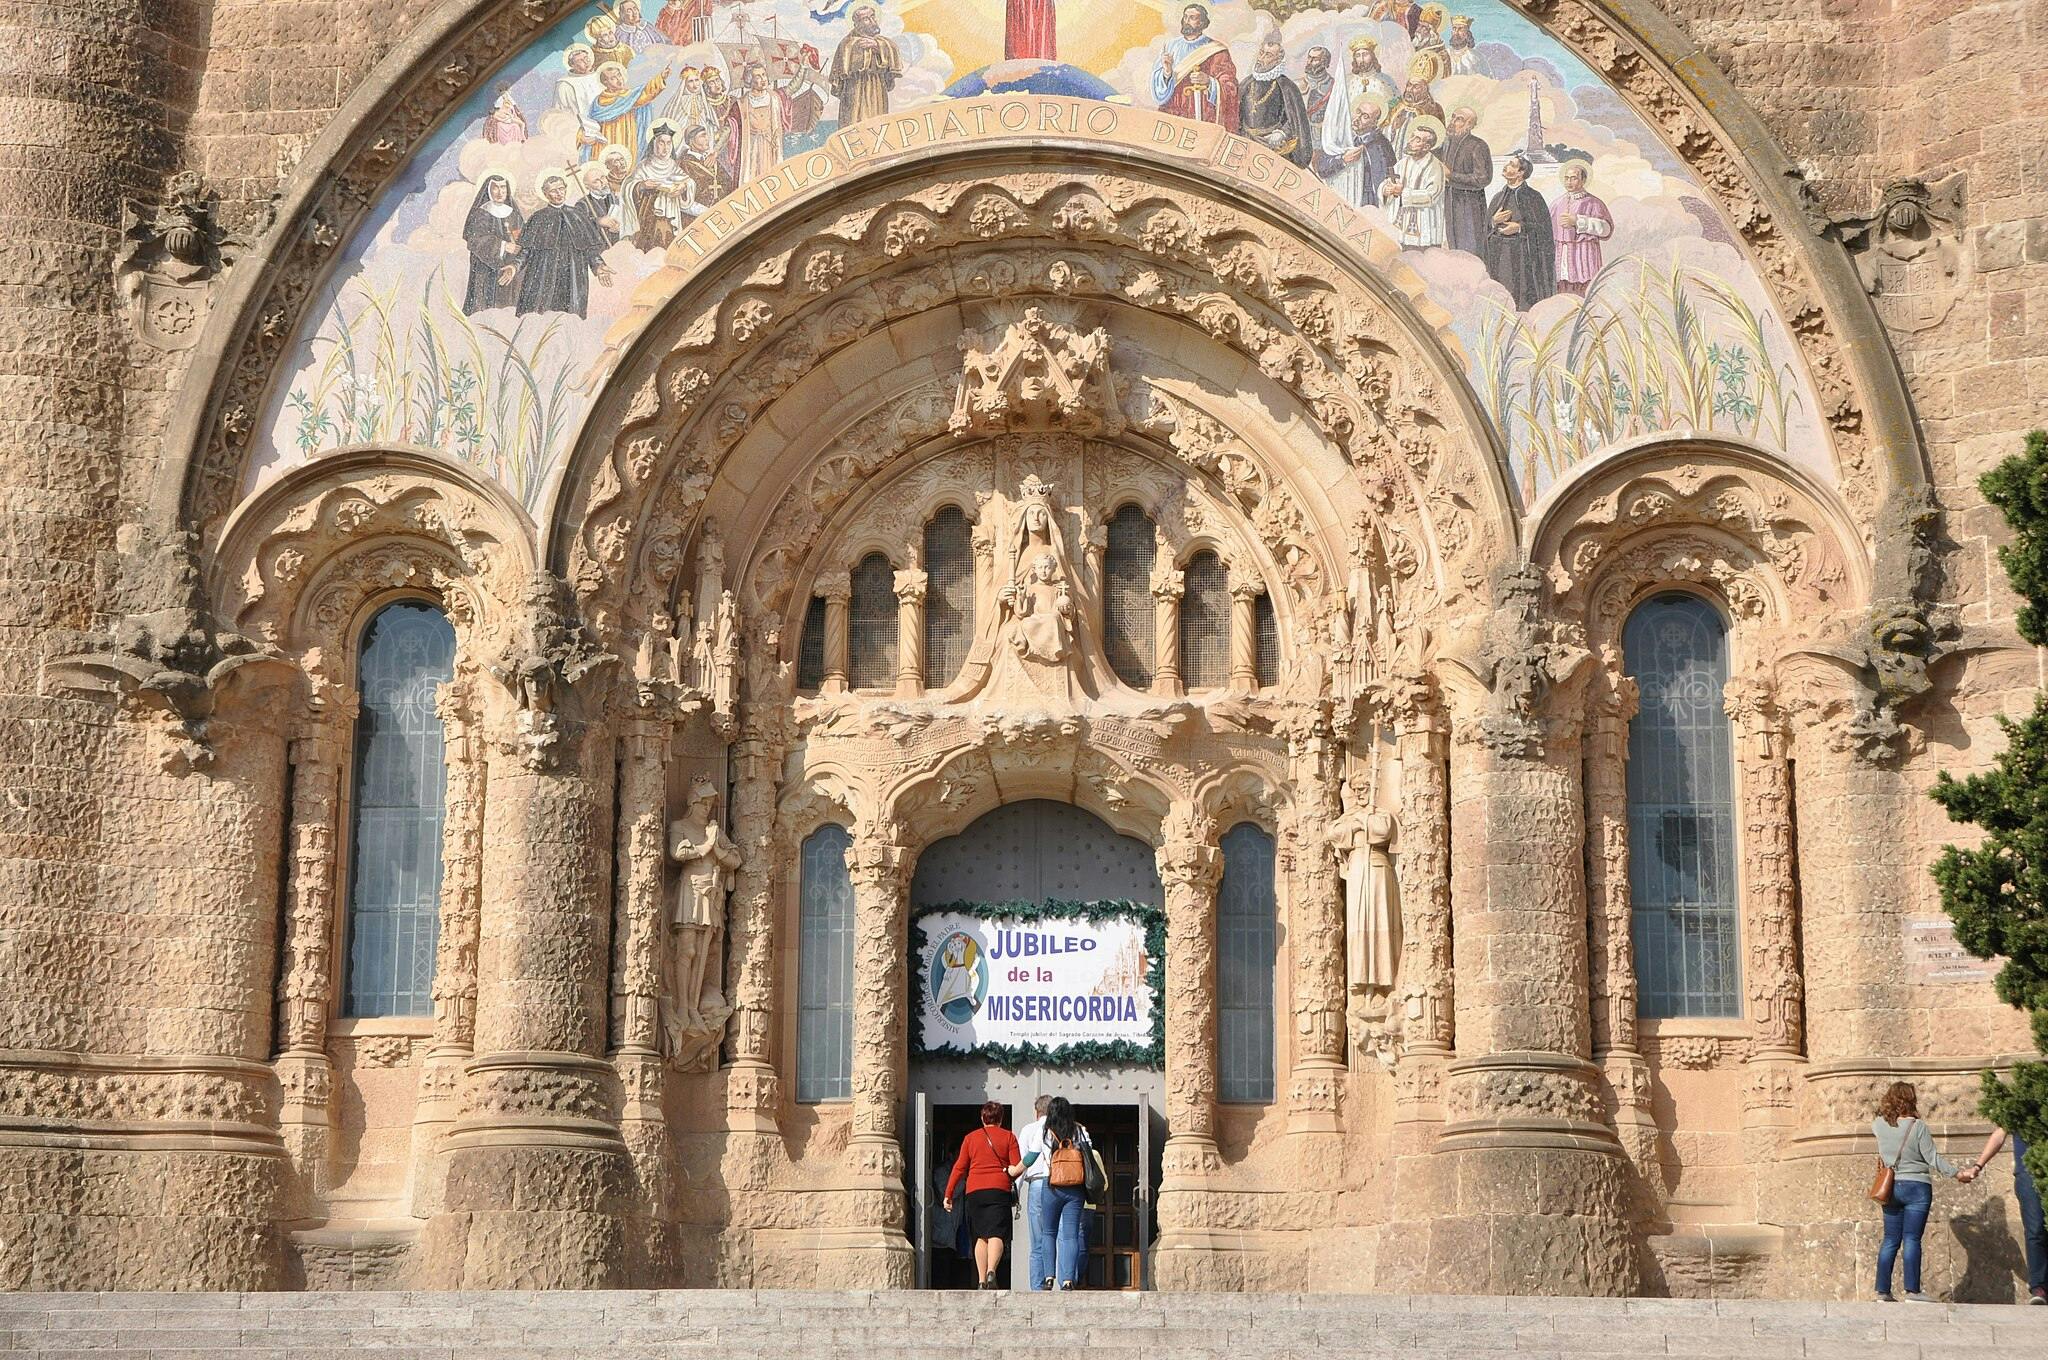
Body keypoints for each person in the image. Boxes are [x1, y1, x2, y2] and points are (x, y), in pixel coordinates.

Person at [1872, 1081, 1966, 1302]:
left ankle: (1882, 1291)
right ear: (1911, 1100)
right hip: (1917, 1186)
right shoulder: (1918, 1127)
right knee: (1912, 1239)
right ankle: (1912, 1291)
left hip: (1891, 1187)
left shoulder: (1878, 1125)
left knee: (1889, 1240)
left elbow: (1878, 1121)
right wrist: (1956, 1174)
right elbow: (1932, 1158)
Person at [1958, 1124, 2048, 1304]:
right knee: (2035, 1228)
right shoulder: (2018, 1100)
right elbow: (2000, 1133)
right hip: (2028, 1172)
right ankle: (2040, 1287)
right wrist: (1978, 1166)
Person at [942, 1101, 1022, 1290]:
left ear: (982, 1118)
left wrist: (949, 1193)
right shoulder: (1009, 1137)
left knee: (979, 1236)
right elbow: (1016, 1167)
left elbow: (960, 1167)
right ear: (1001, 1119)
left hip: (975, 1191)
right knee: (997, 1234)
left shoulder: (971, 1138)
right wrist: (1007, 1170)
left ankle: (980, 1280)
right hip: (999, 1190)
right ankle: (992, 1271)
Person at [515, 174, 615, 318]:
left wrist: (599, 266)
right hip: (545, 275)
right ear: (545, 194)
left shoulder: (578, 215)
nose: (559, 193)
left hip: (573, 274)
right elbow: (526, 251)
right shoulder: (538, 218)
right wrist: (515, 266)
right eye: (554, 191)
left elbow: (589, 249)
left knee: (570, 317)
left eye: (561, 189)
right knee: (540, 315)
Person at [1480, 153, 1556, 309]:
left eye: (1512, 165)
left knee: (1522, 300)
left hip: (1523, 258)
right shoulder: (1498, 197)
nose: (1506, 166)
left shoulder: (1533, 197)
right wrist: (1494, 221)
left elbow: (1544, 229)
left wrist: (1520, 228)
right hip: (1499, 256)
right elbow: (1486, 227)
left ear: (1521, 173)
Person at [1152, 4, 1239, 132]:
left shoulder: (1217, 51)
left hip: (1202, 115)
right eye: (1185, 17)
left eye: (1192, 18)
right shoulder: (1170, 46)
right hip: (1172, 112)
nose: (1186, 21)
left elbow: (1230, 86)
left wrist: (1209, 82)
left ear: (1202, 22)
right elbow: (1158, 88)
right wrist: (1167, 72)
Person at [1036, 1096, 1093, 1290]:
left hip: (1051, 1185)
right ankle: (1068, 1279)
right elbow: (1089, 1152)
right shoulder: (1079, 1130)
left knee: (1049, 1232)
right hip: (1075, 1188)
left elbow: (1034, 1155)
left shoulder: (1044, 1132)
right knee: (1070, 1235)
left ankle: (1049, 1277)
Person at [1239, 31, 1313, 167]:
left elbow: (1296, 120)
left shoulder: (1287, 87)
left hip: (1274, 146)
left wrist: (1282, 133)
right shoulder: (1246, 83)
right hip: (1247, 142)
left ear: (1278, 60)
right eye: (1261, 52)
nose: (1261, 58)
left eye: (1268, 55)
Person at [625, 122, 701, 250]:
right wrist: (642, 185)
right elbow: (629, 186)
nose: (665, 147)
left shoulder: (672, 165)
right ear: (654, 144)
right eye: (661, 143)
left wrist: (683, 186)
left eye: (669, 143)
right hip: (651, 215)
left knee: (670, 241)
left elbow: (689, 181)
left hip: (672, 213)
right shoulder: (644, 166)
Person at [1380, 115, 1448, 249]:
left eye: (1417, 139)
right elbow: (1388, 182)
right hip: (1401, 224)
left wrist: (1403, 193)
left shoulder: (1435, 167)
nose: (1410, 141)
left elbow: (1431, 196)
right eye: (1411, 136)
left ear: (1426, 146)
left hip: (1425, 225)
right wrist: (1385, 190)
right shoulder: (1402, 163)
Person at [829, 4, 902, 128]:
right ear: (857, 23)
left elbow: (892, 51)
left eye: (873, 16)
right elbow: (844, 64)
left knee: (878, 123)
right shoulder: (847, 43)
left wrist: (876, 45)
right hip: (855, 91)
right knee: (854, 124)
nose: (872, 21)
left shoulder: (883, 42)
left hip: (877, 89)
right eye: (866, 19)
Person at [460, 174, 522, 315]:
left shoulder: (514, 214)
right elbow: (474, 239)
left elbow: (522, 238)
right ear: (488, 190)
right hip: (486, 269)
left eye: (503, 188)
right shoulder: (481, 213)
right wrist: (503, 246)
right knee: (486, 310)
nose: (500, 192)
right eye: (496, 188)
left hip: (510, 270)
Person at [722, 61, 791, 188]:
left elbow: (793, 87)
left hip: (771, 149)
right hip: (751, 151)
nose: (763, 79)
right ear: (750, 80)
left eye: (764, 75)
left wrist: (803, 66)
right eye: (758, 76)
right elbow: (729, 128)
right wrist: (715, 150)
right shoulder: (741, 104)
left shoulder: (775, 97)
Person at [1551, 160, 1614, 297]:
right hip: (1562, 254)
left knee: (1584, 291)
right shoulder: (1557, 203)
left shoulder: (1594, 203)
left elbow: (1607, 229)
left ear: (1583, 180)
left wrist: (1578, 221)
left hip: (1584, 253)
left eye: (1573, 178)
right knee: (1562, 290)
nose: (1569, 182)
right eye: (1566, 178)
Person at [1438, 106, 1492, 254]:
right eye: (1453, 117)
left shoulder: (1477, 145)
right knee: (1453, 243)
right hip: (1449, 200)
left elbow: (1483, 178)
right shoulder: (1446, 144)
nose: (1453, 121)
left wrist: (1451, 175)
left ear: (1469, 125)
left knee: (1470, 245)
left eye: (1459, 119)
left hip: (1470, 204)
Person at [590, 61, 670, 159]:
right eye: (613, 78)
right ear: (605, 82)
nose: (618, 80)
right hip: (607, 139)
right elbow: (590, 123)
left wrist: (661, 78)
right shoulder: (599, 101)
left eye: (619, 75)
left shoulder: (629, 96)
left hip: (628, 136)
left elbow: (645, 92)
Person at [1016, 1095, 1053, 1290]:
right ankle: (1061, 1280)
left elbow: (1022, 1162)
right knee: (1060, 1235)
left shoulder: (1029, 1130)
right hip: (1058, 1184)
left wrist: (1016, 1191)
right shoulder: (1061, 1129)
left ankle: (1037, 1287)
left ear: (1036, 1111)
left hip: (1037, 1183)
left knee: (1037, 1239)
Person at [554, 44, 607, 163]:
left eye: (586, 58)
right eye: (580, 60)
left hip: (609, 127)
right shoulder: (565, 85)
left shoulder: (601, 76)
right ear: (572, 64)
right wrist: (577, 136)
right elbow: (561, 116)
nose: (586, 62)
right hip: (585, 134)